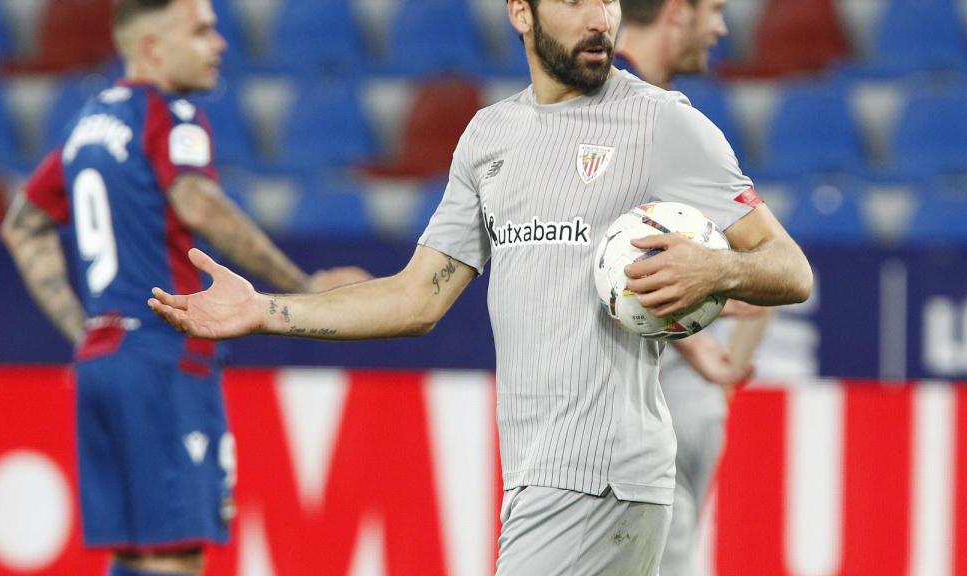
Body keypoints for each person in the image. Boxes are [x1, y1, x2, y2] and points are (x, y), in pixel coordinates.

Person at [149, 0, 814, 573]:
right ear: (520, 13)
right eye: (575, 2)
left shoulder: (663, 124)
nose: (598, 20)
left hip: (603, 477)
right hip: (534, 475)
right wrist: (263, 310)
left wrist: (718, 268)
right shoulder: (490, 140)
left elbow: (790, 268)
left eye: (606, 2)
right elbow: (416, 297)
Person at [0, 1, 367, 575]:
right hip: (163, 353)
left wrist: (86, 328)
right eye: (201, 31)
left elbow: (22, 225)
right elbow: (199, 201)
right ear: (152, 48)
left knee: (132, 549)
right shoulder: (171, 114)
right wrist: (305, 285)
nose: (219, 43)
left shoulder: (89, 122)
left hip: (103, 361)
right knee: (176, 553)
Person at [615, 1, 776, 573]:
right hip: (632, 394)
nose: (722, 28)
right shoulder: (611, 112)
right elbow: (595, 249)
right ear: (676, 11)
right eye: (714, 9)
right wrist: (694, 333)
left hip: (669, 388)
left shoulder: (667, 117)